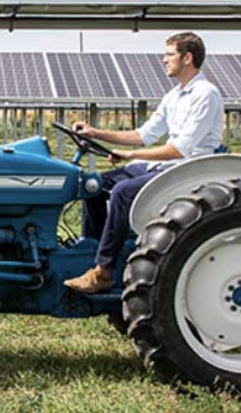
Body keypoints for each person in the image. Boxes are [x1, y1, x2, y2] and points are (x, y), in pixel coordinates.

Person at [63, 32, 224, 293]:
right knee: (93, 184)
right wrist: (95, 133)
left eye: (169, 54)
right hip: (163, 166)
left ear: (187, 57)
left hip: (188, 169)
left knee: (122, 193)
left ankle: (103, 271)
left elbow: (181, 149)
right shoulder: (174, 96)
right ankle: (92, 251)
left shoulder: (206, 94)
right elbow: (143, 135)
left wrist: (131, 155)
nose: (164, 60)